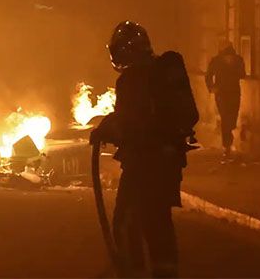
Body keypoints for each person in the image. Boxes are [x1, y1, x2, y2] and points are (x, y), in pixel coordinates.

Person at [90, 21, 199, 278]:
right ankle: (165, 273)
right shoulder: (161, 72)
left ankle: (132, 272)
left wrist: (107, 131)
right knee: (157, 222)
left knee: (125, 221)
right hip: (168, 163)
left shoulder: (130, 81)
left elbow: (130, 123)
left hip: (143, 163)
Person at [205, 41, 246, 160]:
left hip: (233, 92)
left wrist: (234, 68)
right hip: (221, 93)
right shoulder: (216, 60)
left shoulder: (237, 60)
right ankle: (226, 144)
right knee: (225, 116)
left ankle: (229, 135)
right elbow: (208, 75)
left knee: (232, 116)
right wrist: (212, 87)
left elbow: (242, 74)